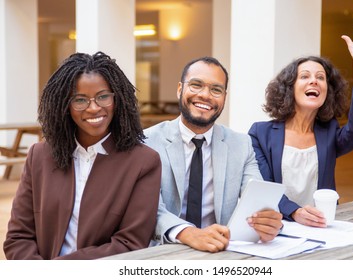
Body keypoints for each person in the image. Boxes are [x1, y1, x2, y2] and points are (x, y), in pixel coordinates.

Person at [3, 52, 162, 260]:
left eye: (103, 96)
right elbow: (18, 238)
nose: (94, 108)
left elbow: (130, 244)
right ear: (64, 105)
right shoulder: (40, 155)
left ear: (118, 99)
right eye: (80, 100)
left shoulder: (143, 162)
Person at [144, 56, 283, 253]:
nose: (205, 95)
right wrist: (189, 233)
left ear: (224, 97)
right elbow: (147, 208)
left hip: (221, 251)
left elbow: (256, 200)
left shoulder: (241, 144)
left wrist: (268, 221)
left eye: (216, 89)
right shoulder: (147, 142)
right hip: (164, 251)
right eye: (196, 85)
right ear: (179, 89)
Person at [248, 25, 353, 228]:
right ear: (289, 88)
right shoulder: (260, 133)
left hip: (322, 227)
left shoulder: (328, 132)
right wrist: (295, 212)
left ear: (328, 91)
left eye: (320, 77)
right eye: (305, 76)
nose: (314, 81)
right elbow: (262, 186)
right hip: (278, 228)